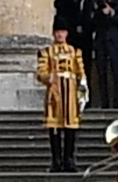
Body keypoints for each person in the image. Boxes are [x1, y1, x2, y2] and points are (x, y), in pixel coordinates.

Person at [36, 23, 92, 174]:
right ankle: (56, 160)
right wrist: (49, 78)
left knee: (71, 127)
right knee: (54, 126)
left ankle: (69, 159)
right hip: (55, 93)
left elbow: (81, 72)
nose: (60, 35)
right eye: (57, 32)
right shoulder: (47, 52)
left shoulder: (75, 52)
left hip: (71, 92)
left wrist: (83, 88)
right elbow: (41, 73)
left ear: (67, 33)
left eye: (62, 31)